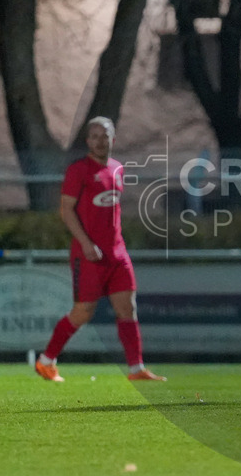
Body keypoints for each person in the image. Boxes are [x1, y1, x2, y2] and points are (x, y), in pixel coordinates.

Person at [34, 117, 165, 382]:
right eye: (93, 136)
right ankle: (46, 361)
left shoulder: (118, 169)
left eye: (104, 136)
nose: (99, 141)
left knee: (127, 308)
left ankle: (136, 369)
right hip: (87, 254)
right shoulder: (78, 170)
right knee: (83, 312)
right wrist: (85, 243)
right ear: (87, 141)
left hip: (117, 254)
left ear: (113, 139)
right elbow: (66, 210)